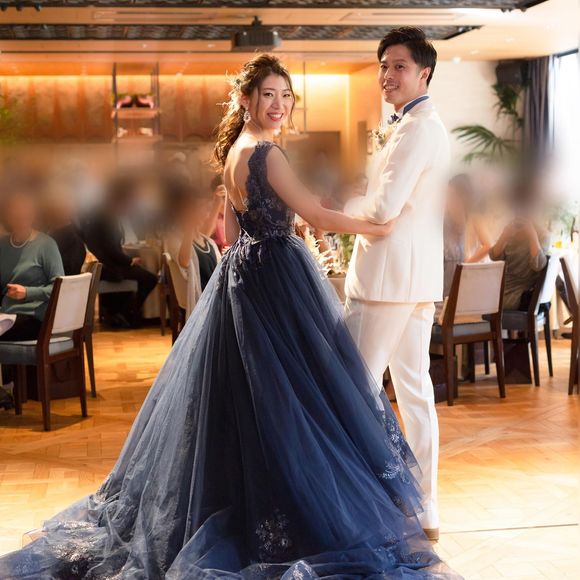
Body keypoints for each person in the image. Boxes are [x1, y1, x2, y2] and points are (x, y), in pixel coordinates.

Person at [0, 54, 459, 579]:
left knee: (253, 399)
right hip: (276, 277)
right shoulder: (267, 153)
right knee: (301, 399)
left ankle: (252, 501)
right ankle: (300, 509)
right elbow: (316, 214)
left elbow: (237, 230)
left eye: (286, 96)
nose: (279, 105)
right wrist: (381, 226)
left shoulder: (235, 152)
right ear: (246, 99)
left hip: (242, 277)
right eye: (269, 95)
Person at [342, 27, 450, 542]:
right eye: (383, 65)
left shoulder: (416, 129)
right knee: (415, 392)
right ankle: (425, 508)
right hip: (416, 279)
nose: (387, 75)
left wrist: (340, 206)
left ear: (424, 73)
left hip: (386, 280)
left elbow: (383, 207)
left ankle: (358, 506)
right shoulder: (420, 126)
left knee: (352, 389)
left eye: (399, 66)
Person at [82, 175, 158, 327]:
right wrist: (129, 260)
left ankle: (121, 312)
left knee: (141, 274)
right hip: (111, 267)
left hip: (106, 264)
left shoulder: (102, 214)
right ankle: (128, 313)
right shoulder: (107, 218)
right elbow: (111, 250)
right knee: (151, 278)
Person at [0, 190, 64, 342]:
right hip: (6, 314)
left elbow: (60, 287)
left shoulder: (46, 245)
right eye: (16, 210)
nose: (20, 214)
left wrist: (27, 292)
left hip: (36, 317)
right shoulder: (2, 244)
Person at [163, 177, 221, 319]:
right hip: (205, 302)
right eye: (200, 208)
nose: (205, 212)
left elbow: (207, 229)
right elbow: (184, 262)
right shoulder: (173, 238)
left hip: (216, 296)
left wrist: (218, 202)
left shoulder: (204, 239)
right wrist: (189, 225)